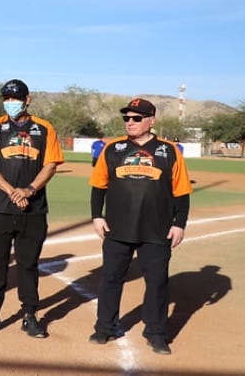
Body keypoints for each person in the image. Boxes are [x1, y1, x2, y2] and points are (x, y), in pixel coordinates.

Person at [88, 98, 192, 355]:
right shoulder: (113, 148)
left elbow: (181, 192)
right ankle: (105, 326)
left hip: (156, 230)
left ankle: (155, 331)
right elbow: (99, 186)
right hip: (116, 229)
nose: (130, 122)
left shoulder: (169, 151)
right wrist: (96, 216)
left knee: (157, 282)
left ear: (151, 120)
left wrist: (179, 223)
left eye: (136, 118)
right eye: (127, 118)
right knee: (111, 278)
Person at [0, 79, 64, 338]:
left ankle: (30, 315)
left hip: (33, 208)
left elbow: (50, 165)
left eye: (15, 98)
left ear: (28, 99)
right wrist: (12, 191)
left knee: (28, 264)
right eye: (7, 98)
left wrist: (30, 190)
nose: (10, 103)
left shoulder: (44, 129)